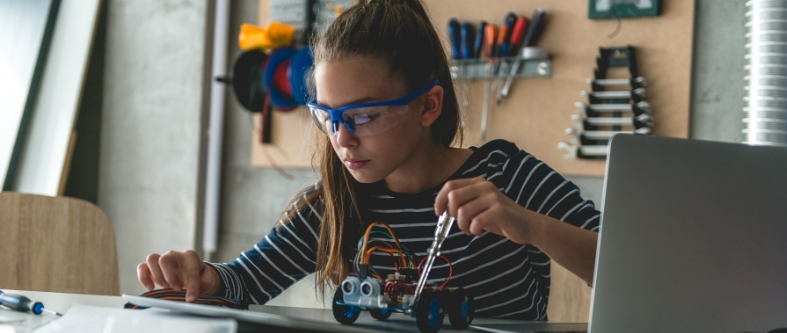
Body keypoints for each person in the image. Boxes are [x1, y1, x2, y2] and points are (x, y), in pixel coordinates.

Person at [137, 0, 599, 320]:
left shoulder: (505, 176)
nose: (342, 139)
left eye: (363, 115)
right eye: (328, 116)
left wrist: (530, 227)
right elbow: (244, 282)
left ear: (428, 106)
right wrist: (201, 278)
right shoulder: (339, 201)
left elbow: (627, 266)